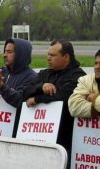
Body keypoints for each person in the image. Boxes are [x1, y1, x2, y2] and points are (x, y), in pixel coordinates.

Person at [25, 40, 86, 168]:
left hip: (65, 141)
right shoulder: (45, 73)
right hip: (39, 136)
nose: (48, 58)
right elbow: (25, 92)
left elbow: (63, 98)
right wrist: (42, 87)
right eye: (48, 54)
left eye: (52, 55)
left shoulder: (78, 76)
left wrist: (37, 99)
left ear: (66, 57)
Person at [0, 38, 37, 137]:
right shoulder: (0, 71)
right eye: (4, 51)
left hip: (15, 133)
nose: (4, 55)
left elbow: (20, 100)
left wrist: (0, 85)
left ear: (20, 54)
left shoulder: (32, 77)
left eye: (9, 52)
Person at [69, 47, 100, 117]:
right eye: (96, 63)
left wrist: (94, 98)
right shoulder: (85, 80)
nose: (97, 67)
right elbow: (74, 107)